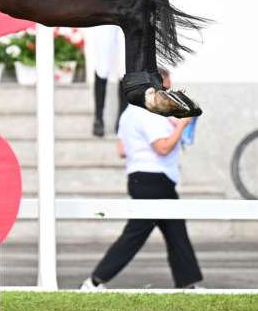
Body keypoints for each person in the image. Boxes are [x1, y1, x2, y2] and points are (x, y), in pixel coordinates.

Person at [81, 68, 203, 290]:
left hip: (143, 177)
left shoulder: (128, 113)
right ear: (156, 86)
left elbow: (121, 149)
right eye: (167, 88)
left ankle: (189, 284)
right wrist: (183, 125)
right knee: (136, 234)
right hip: (154, 179)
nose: (169, 94)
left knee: (176, 230)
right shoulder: (150, 112)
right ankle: (96, 280)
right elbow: (163, 147)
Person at [84, 24, 125, 137]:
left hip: (129, 9)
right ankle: (98, 118)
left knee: (125, 69)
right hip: (105, 13)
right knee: (103, 68)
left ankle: (122, 120)